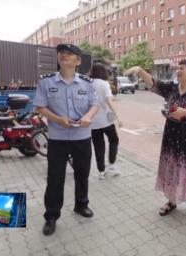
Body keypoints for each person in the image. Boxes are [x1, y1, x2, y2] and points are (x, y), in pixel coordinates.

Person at [124, 59, 186, 222]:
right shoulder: (171, 88)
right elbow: (153, 83)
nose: (178, 71)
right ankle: (172, 201)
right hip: (171, 134)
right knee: (172, 167)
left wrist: (185, 112)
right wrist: (140, 70)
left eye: (182, 69)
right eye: (178, 68)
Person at [33, 44, 99, 236]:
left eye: (69, 54)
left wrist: (88, 117)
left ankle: (81, 205)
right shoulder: (46, 82)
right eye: (62, 53)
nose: (64, 55)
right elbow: (40, 107)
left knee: (82, 173)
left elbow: (94, 105)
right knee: (55, 178)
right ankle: (51, 216)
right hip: (58, 138)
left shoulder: (87, 83)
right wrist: (58, 119)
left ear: (77, 61)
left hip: (82, 138)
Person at [88, 63, 123, 180]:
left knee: (98, 146)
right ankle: (112, 164)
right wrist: (118, 117)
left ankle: (101, 171)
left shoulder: (88, 83)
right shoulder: (104, 84)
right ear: (104, 72)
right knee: (114, 140)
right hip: (107, 118)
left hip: (93, 119)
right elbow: (109, 102)